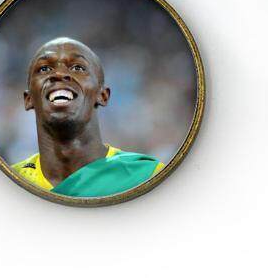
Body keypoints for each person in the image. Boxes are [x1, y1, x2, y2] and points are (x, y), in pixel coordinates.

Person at [12, 37, 164, 197]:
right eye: (44, 69)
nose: (59, 74)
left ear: (102, 95)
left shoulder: (146, 177)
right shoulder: (10, 186)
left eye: (77, 67)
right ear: (28, 99)